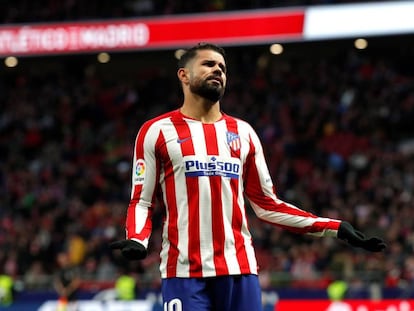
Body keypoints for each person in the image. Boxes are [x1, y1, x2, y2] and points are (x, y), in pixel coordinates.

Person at [110, 43, 386, 311]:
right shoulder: (156, 131)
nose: (218, 70)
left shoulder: (244, 133)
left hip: (240, 270)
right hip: (183, 273)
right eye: (208, 64)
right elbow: (142, 201)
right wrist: (137, 238)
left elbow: (267, 205)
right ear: (183, 75)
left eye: (222, 67)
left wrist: (333, 226)